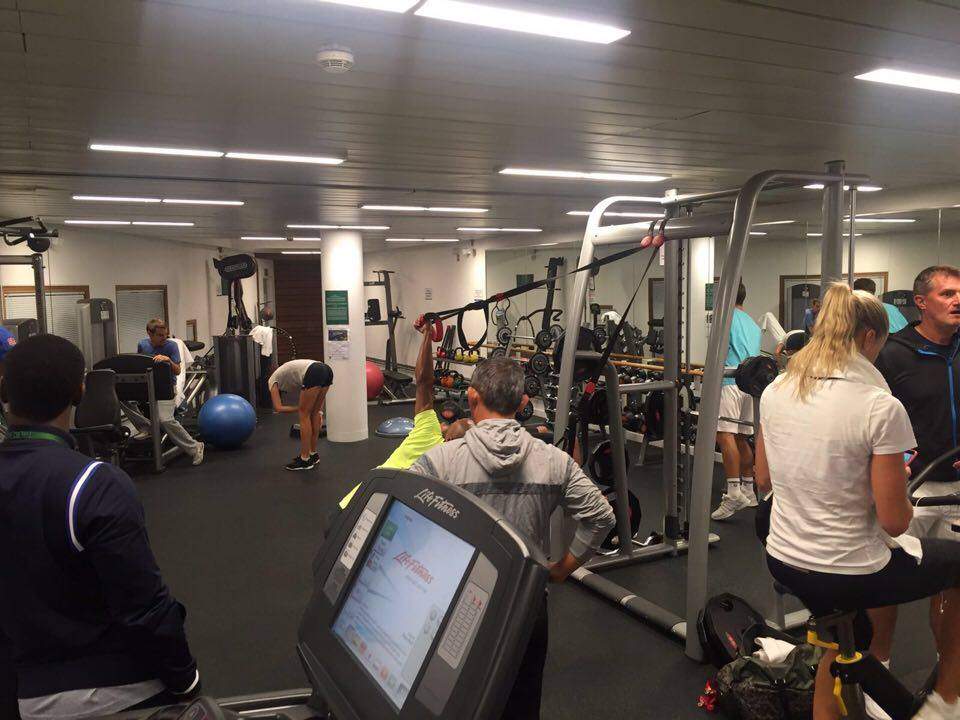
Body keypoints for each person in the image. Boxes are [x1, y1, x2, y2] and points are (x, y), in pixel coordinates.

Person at [756, 283, 960, 720]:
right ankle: (946, 701)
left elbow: (763, 478)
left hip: (784, 559)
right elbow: (895, 522)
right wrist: (895, 485)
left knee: (842, 640)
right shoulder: (879, 406)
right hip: (849, 569)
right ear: (870, 338)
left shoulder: (776, 389)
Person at [0, 334, 200, 719]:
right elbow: (143, 608)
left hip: (25, 692)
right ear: (79, 392)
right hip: (109, 689)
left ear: (4, 391)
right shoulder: (94, 483)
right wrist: (185, 678)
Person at [409, 357, 615, 719]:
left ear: (472, 397)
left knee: (449, 704)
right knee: (521, 706)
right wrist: (562, 569)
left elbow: (406, 517)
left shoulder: (439, 461)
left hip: (456, 605)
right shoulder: (555, 461)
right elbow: (602, 516)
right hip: (527, 605)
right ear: (522, 404)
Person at [868, 265, 960, 710]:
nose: (958, 301)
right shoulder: (893, 354)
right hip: (909, 491)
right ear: (921, 302)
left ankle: (948, 683)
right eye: (947, 294)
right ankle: (877, 672)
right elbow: (870, 417)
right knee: (885, 583)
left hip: (958, 493)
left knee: (954, 586)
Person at [338, 320, 473, 510]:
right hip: (389, 512)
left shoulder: (428, 433)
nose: (443, 423)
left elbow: (424, 381)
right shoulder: (457, 467)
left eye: (448, 425)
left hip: (361, 500)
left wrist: (427, 335)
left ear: (448, 437)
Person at [711, 282, 762, 520]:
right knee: (742, 438)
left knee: (724, 436)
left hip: (729, 383)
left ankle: (733, 494)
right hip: (748, 387)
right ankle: (749, 490)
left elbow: (718, 352)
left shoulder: (724, 319)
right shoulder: (753, 324)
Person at [123, 318, 204, 465]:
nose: (164, 338)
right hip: (147, 387)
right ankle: (146, 427)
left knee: (164, 419)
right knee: (122, 399)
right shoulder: (142, 345)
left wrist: (168, 361)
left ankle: (195, 447)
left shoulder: (171, 346)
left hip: (166, 389)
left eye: (165, 335)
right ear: (149, 333)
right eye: (160, 335)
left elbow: (178, 371)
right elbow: (139, 365)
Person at [269, 358, 334, 471]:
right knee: (314, 413)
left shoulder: (272, 380)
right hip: (326, 370)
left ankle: (305, 460)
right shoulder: (288, 373)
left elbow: (278, 407)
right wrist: (318, 411)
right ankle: (313, 454)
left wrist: (301, 408)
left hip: (314, 371)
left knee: (304, 414)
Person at [250, 307, 276, 409]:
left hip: (265, 356)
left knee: (266, 377)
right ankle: (265, 402)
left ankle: (266, 402)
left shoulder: (266, 331)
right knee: (265, 378)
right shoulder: (263, 330)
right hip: (263, 356)